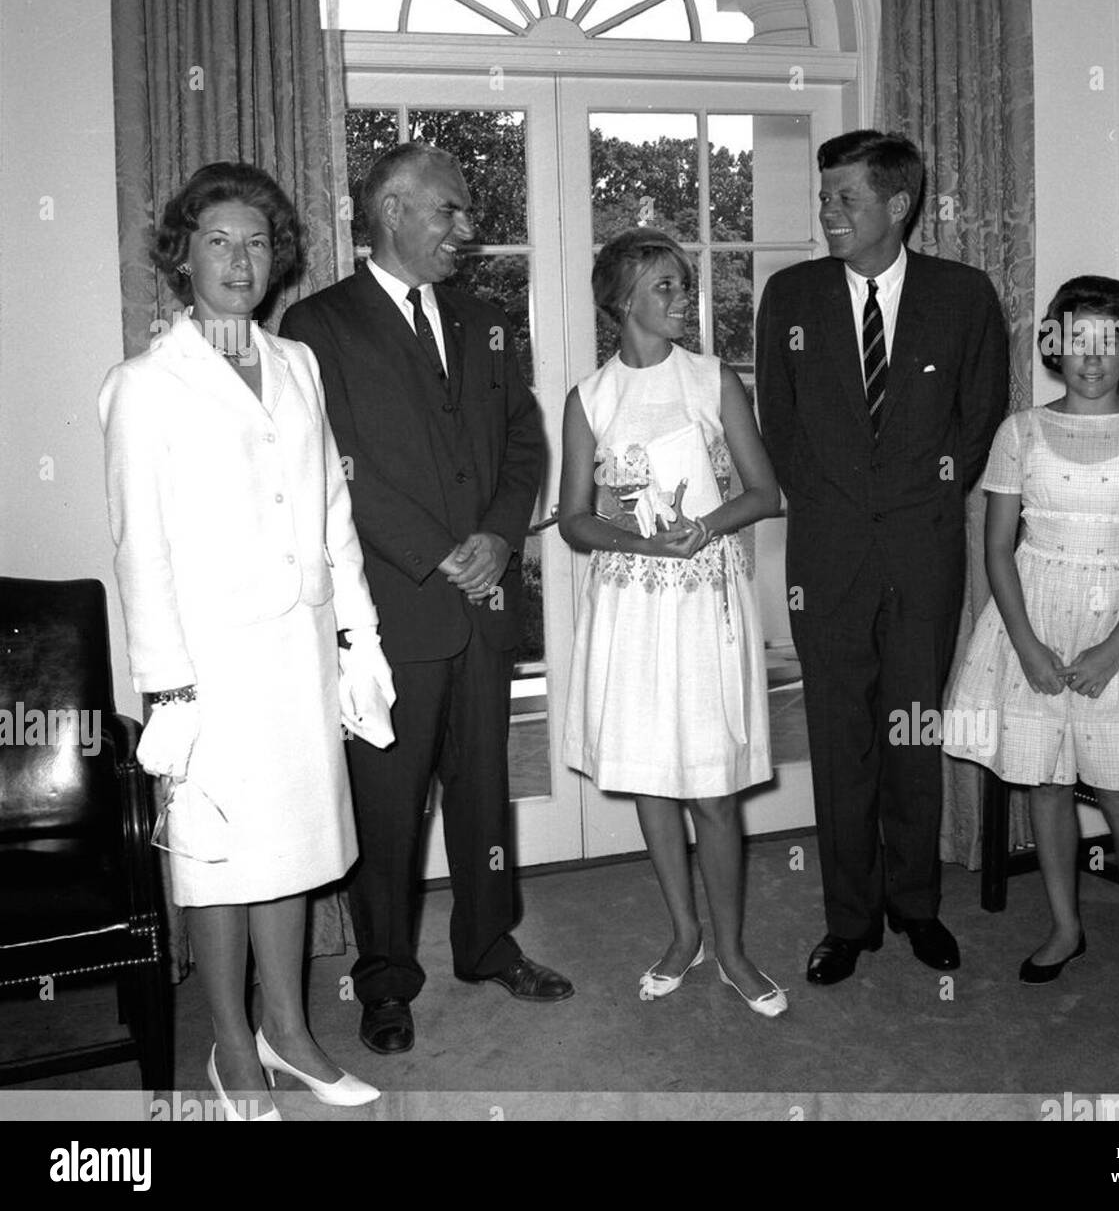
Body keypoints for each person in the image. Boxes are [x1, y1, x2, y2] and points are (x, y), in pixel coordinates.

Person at [100, 161, 392, 1119]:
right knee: (219, 859)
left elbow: (329, 510)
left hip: (298, 652)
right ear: (182, 256)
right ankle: (232, 1050)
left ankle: (291, 1031)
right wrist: (169, 691)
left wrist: (359, 639)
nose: (241, 258)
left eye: (258, 241)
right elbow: (142, 549)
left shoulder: (297, 361)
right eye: (219, 239)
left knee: (296, 847)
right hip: (209, 668)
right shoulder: (145, 386)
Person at [279, 143, 572, 1057]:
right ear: (393, 209)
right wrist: (439, 552)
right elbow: (331, 466)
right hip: (392, 613)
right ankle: (385, 983)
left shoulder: (487, 320)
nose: (465, 229)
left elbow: (525, 441)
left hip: (484, 604)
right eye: (449, 210)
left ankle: (487, 945)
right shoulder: (319, 323)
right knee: (389, 808)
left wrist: (496, 533)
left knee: (486, 793)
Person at [755, 129, 1008, 984]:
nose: (827, 214)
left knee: (914, 729)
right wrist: (834, 507)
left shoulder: (964, 295)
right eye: (824, 198)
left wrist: (919, 499)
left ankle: (917, 904)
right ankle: (849, 918)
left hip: (922, 550)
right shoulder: (789, 295)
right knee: (839, 736)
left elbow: (978, 424)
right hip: (826, 554)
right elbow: (778, 428)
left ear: (897, 206)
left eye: (844, 199)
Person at [943, 276, 1119, 1030]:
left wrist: (1109, 652)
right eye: (1076, 340)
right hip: (1031, 618)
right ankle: (1066, 925)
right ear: (1055, 346)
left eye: (1109, 340)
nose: (1092, 357)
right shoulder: (1019, 433)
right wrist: (1027, 645)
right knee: (1047, 784)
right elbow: (999, 548)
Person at [559, 229, 786, 1015]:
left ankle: (731, 949)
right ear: (622, 301)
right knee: (654, 777)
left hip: (704, 607)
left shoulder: (714, 380)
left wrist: (706, 527)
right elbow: (572, 520)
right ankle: (683, 933)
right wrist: (637, 540)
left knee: (713, 786)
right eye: (665, 285)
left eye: (684, 283)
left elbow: (766, 492)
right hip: (629, 606)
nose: (683, 296)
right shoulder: (588, 399)